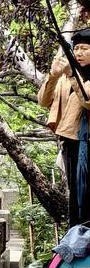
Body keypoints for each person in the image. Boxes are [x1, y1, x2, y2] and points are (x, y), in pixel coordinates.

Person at [39, 29, 90, 223]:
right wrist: (53, 75)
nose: (78, 53)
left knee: (87, 195)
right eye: (76, 49)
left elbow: (87, 100)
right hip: (70, 142)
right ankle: (76, 240)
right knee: (75, 195)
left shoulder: (74, 76)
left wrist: (71, 75)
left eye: (84, 48)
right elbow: (43, 100)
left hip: (87, 142)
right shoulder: (67, 76)